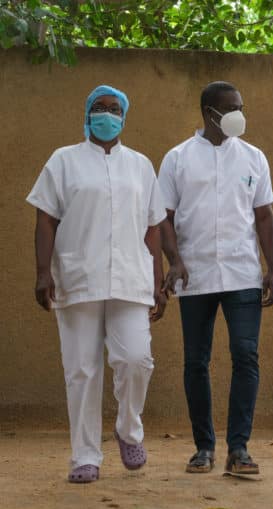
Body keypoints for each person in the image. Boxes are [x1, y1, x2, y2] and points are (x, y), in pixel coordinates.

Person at [27, 85, 167, 484]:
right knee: (82, 370)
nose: (107, 114)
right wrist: (43, 272)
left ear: (124, 117)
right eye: (100, 108)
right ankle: (85, 456)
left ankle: (128, 429)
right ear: (88, 115)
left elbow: (153, 227)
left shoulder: (140, 165)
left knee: (136, 359)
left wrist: (157, 281)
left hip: (131, 278)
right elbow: (45, 219)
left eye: (115, 109)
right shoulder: (64, 160)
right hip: (78, 277)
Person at [157, 81, 273, 475]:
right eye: (231, 108)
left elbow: (264, 216)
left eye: (241, 106)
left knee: (246, 355)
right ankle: (204, 447)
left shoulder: (254, 157)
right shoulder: (177, 159)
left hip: (243, 274)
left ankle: (238, 448)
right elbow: (164, 218)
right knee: (196, 361)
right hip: (195, 275)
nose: (239, 115)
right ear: (209, 112)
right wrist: (174, 261)